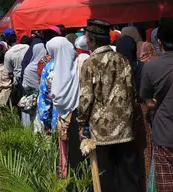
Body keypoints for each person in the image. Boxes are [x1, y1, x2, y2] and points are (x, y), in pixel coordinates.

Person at [77, 19, 142, 191]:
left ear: (91, 40)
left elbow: (85, 98)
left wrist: (81, 122)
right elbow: (132, 91)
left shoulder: (90, 64)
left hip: (102, 130)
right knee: (128, 175)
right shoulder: (123, 60)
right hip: (125, 127)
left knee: (106, 177)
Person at [140, 18, 173, 192]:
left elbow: (145, 97)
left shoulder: (150, 67)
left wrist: (152, 104)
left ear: (159, 42)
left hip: (165, 138)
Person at [115, 34, 152, 186]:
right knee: (145, 153)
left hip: (124, 119)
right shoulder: (143, 68)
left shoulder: (117, 70)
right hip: (144, 116)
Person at [50, 36, 83, 178]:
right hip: (79, 115)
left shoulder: (53, 69)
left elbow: (57, 96)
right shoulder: (80, 63)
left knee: (71, 152)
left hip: (68, 118)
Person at [21, 41, 48, 128]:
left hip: (31, 100)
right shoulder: (47, 65)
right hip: (45, 99)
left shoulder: (28, 68)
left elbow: (25, 86)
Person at [3, 30, 29, 107]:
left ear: (6, 40)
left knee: (21, 105)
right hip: (31, 79)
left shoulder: (8, 54)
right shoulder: (26, 47)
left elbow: (10, 74)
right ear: (15, 37)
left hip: (19, 83)